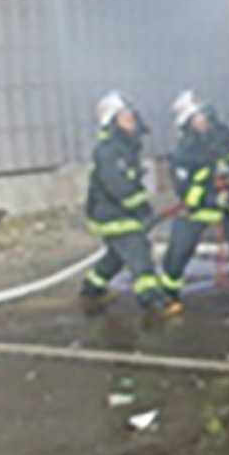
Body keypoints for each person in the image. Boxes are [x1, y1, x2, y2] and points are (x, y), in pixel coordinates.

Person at [159, 91, 229, 320]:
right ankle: (169, 294)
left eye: (204, 116)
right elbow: (185, 190)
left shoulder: (226, 137)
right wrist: (210, 197)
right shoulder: (184, 152)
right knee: (179, 251)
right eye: (196, 118)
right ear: (187, 123)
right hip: (199, 210)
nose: (202, 121)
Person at [79, 91, 180, 317]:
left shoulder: (124, 147)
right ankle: (151, 298)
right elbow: (119, 187)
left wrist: (142, 208)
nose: (131, 121)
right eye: (125, 117)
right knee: (138, 251)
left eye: (132, 116)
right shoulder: (109, 150)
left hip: (118, 212)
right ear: (112, 121)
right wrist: (142, 208)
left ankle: (91, 289)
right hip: (113, 215)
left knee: (116, 256)